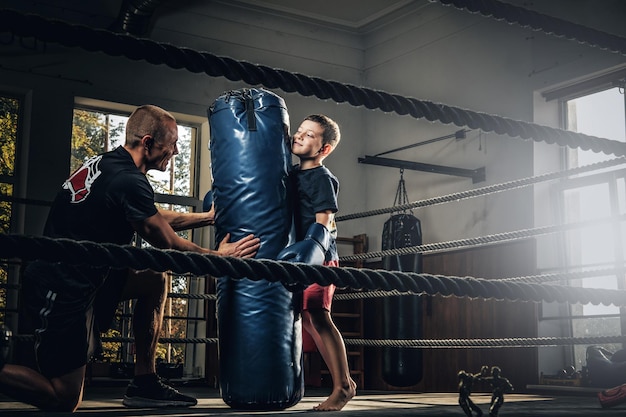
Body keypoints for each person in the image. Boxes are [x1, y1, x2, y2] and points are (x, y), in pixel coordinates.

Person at [0, 104, 260, 412]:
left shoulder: (110, 165)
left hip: (91, 277)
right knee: (63, 398)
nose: (175, 150)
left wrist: (205, 218)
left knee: (152, 279)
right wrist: (220, 256)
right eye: (172, 143)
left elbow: (147, 215)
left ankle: (144, 381)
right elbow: (166, 241)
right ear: (148, 142)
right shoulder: (128, 180)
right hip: (61, 288)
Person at [289, 114, 356, 411]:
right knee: (308, 319)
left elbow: (324, 221)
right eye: (299, 131)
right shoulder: (290, 174)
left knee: (318, 316)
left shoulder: (322, 177)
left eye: (310, 135)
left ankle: (343, 386)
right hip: (295, 260)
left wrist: (310, 254)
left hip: (318, 259)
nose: (300, 136)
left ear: (324, 149)